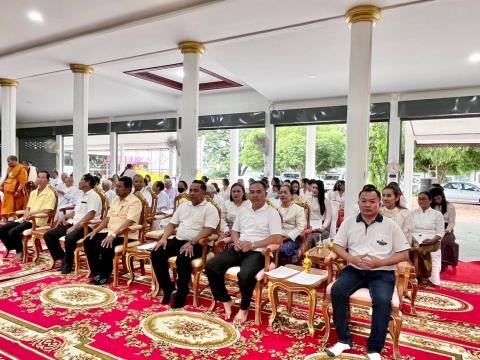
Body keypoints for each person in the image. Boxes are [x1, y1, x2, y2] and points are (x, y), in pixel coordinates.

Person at [326, 186, 410, 359]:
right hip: (355, 269)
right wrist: (353, 258)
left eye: (372, 201)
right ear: (358, 203)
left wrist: (380, 262)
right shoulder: (349, 222)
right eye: (363, 201)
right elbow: (337, 245)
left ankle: (374, 348)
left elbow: (404, 253)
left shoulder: (390, 225)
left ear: (379, 204)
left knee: (381, 300)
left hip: (382, 271)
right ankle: (343, 340)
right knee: (337, 290)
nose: (367, 205)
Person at [205, 181, 282, 324]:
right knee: (211, 266)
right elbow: (235, 231)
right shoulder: (244, 210)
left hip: (258, 252)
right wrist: (236, 241)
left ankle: (244, 307)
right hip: (239, 248)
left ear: (266, 193)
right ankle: (225, 299)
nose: (255, 195)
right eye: (252, 192)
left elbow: (277, 238)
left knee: (245, 275)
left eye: (259, 192)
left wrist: (253, 244)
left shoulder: (272, 213)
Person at [150, 180, 219, 308]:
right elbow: (172, 224)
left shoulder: (210, 208)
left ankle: (182, 293)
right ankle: (168, 288)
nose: (192, 193)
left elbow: (209, 229)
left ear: (204, 192)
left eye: (196, 190)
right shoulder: (183, 206)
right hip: (178, 239)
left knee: (183, 259)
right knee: (156, 253)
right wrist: (164, 238)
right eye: (191, 190)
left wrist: (192, 242)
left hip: (198, 243)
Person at [83, 176, 142, 285]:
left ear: (128, 189)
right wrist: (95, 231)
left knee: (105, 245)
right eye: (116, 186)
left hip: (126, 236)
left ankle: (105, 275)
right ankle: (97, 272)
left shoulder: (135, 202)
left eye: (120, 187)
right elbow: (107, 218)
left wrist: (113, 235)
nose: (116, 188)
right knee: (89, 241)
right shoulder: (115, 200)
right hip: (110, 232)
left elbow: (129, 221)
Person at [44, 174, 102, 274]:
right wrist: (65, 216)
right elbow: (76, 211)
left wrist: (75, 226)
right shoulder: (81, 194)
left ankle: (68, 264)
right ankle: (62, 258)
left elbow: (91, 214)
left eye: (81, 180)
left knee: (69, 238)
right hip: (74, 222)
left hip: (86, 226)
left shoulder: (94, 196)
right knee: (49, 235)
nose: (79, 182)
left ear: (87, 183)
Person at [0, 171, 56, 260]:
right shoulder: (33, 192)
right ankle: (16, 248)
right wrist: (25, 215)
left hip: (38, 220)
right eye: (39, 177)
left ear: (47, 180)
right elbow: (28, 208)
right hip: (26, 219)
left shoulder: (50, 194)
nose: (40, 179)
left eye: (43, 178)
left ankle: (20, 253)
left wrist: (31, 214)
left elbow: (47, 211)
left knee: (13, 231)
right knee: (2, 229)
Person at [410, 191, 445, 287]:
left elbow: (441, 232)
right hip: (415, 239)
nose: (421, 201)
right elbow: (409, 230)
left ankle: (425, 277)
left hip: (432, 240)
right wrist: (414, 240)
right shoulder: (412, 214)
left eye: (424, 198)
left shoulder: (437, 214)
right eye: (419, 199)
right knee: (410, 249)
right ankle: (414, 276)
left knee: (422, 251)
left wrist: (433, 240)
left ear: (430, 201)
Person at [430, 187, 457, 272]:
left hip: (446, 229)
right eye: (434, 199)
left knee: (444, 241)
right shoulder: (432, 207)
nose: (437, 200)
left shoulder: (450, 206)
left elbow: (452, 222)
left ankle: (443, 263)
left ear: (442, 196)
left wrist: (446, 231)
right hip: (434, 228)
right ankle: (428, 262)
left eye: (438, 198)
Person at [278, 184, 307, 264]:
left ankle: (296, 254)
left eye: (285, 192)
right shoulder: (276, 208)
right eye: (280, 193)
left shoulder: (298, 209)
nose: (282, 195)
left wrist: (286, 237)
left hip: (293, 238)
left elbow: (300, 227)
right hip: (277, 236)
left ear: (291, 195)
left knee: (283, 250)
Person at [306, 180, 331, 246]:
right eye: (313, 187)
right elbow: (305, 215)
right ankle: (308, 255)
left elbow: (328, 217)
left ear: (321, 189)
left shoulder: (325, 201)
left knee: (315, 237)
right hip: (310, 226)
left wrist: (323, 227)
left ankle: (316, 254)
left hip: (322, 227)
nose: (314, 190)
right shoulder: (307, 199)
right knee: (309, 237)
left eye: (317, 188)